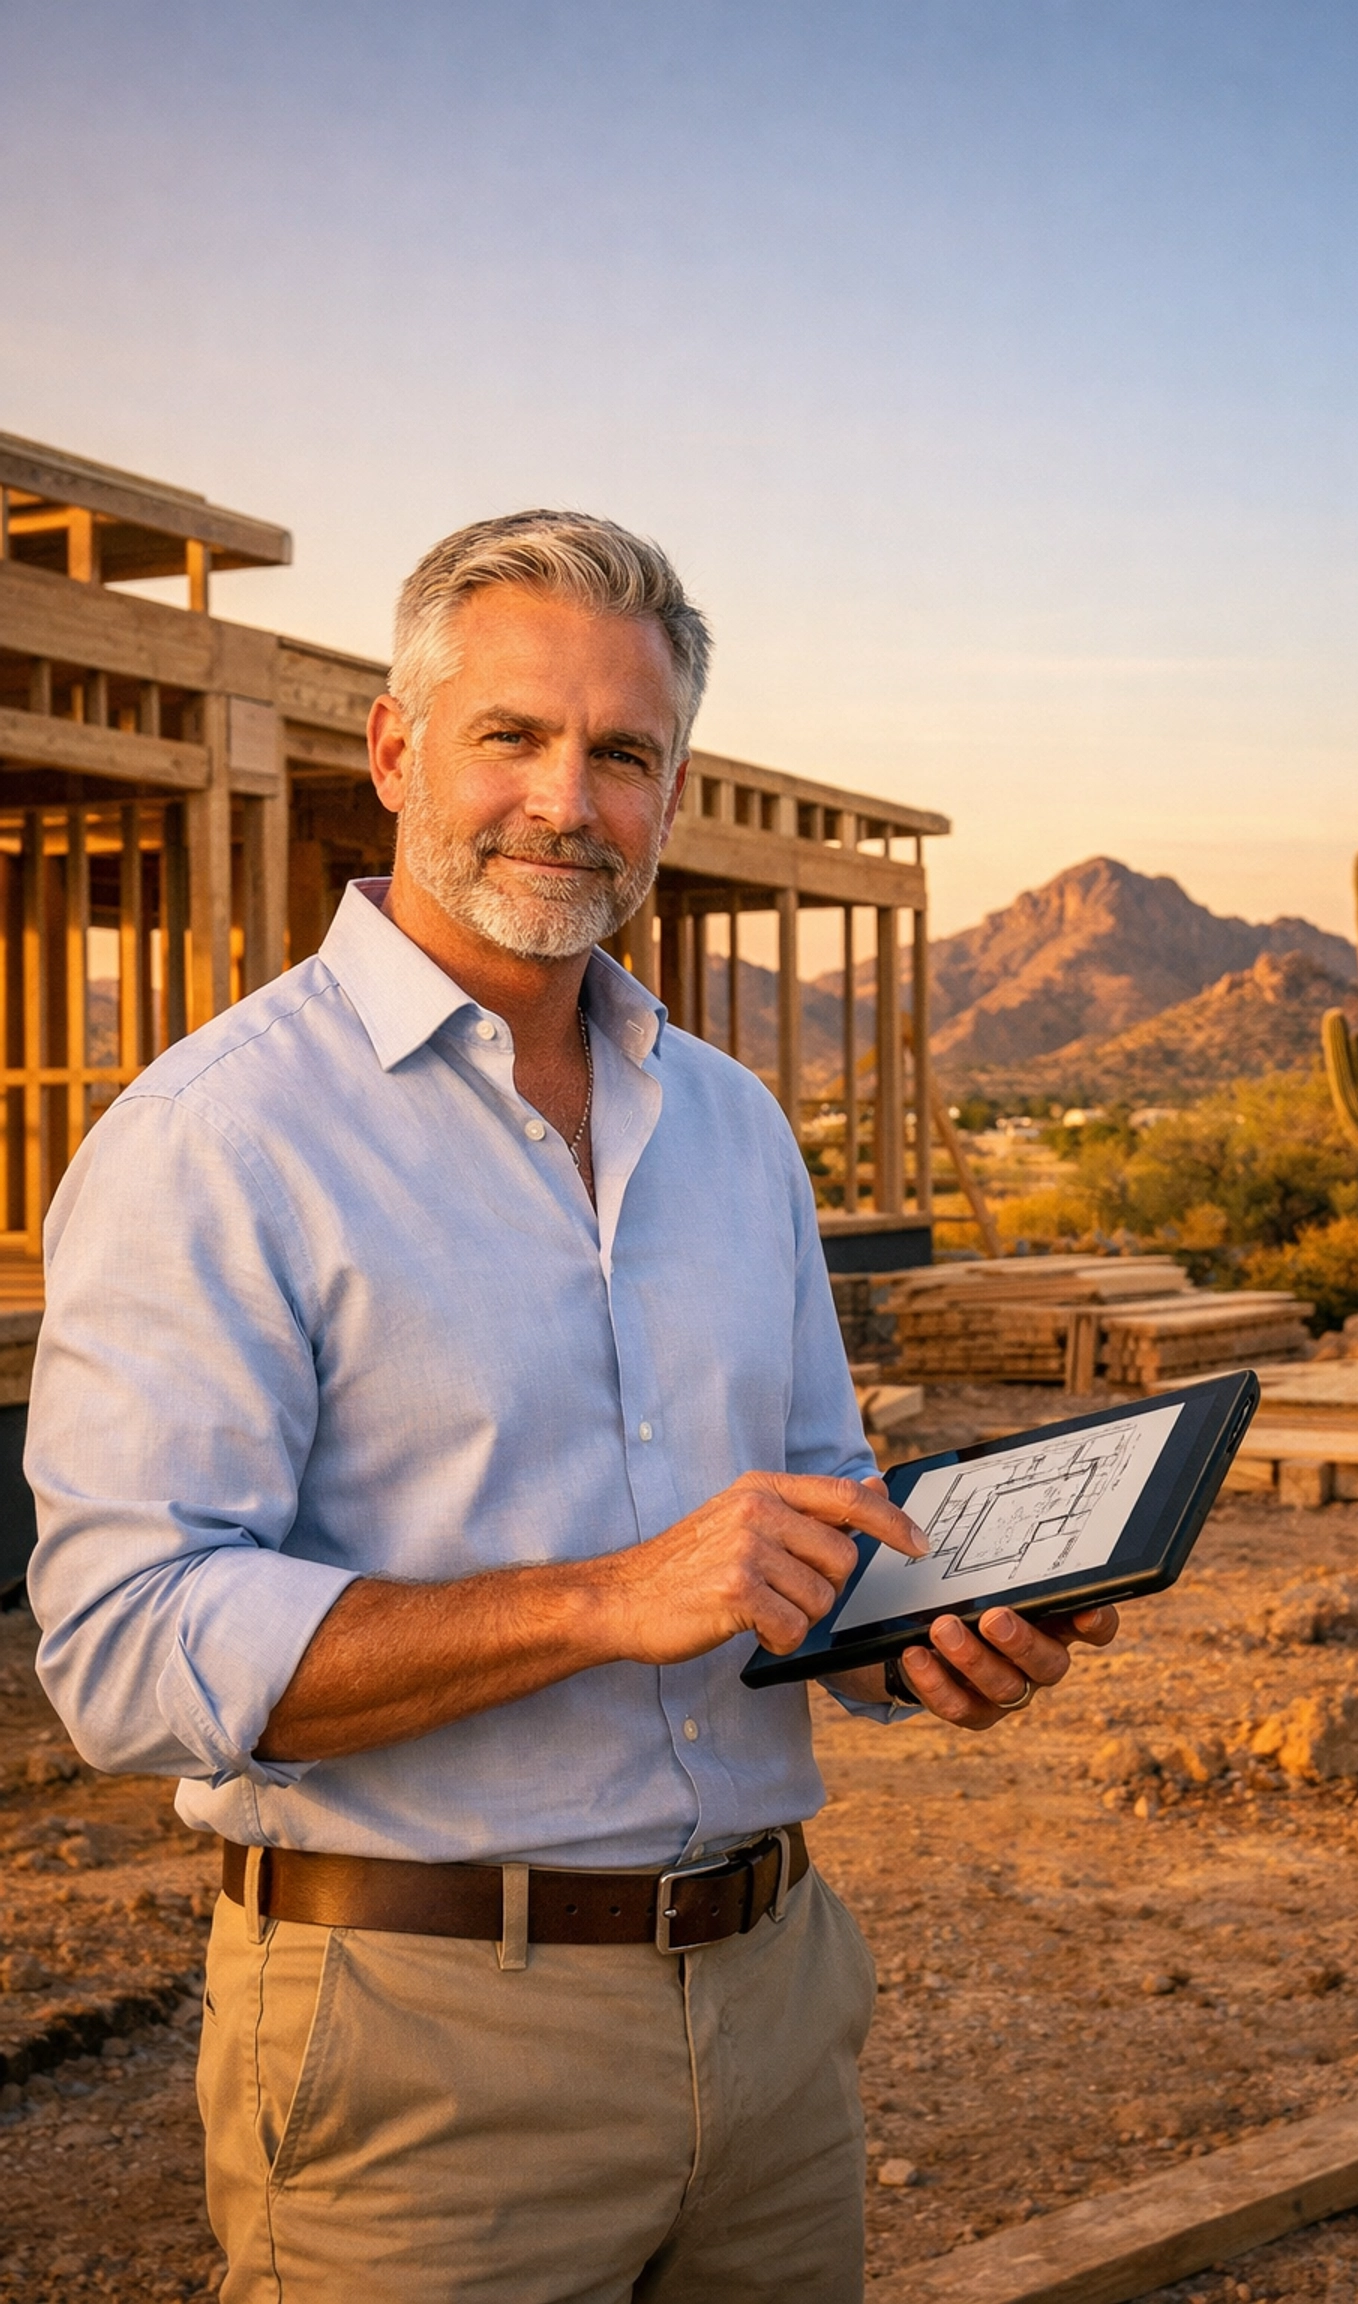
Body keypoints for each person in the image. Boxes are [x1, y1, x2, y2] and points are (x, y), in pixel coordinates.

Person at [25, 512, 1117, 2304]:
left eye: (623, 753)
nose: (567, 799)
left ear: (669, 792)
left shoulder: (734, 1129)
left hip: (774, 2009)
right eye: (511, 736)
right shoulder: (218, 1138)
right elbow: (125, 1652)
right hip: (424, 2047)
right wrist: (605, 1598)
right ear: (394, 751)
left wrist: (916, 1640)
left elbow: (810, 1510)